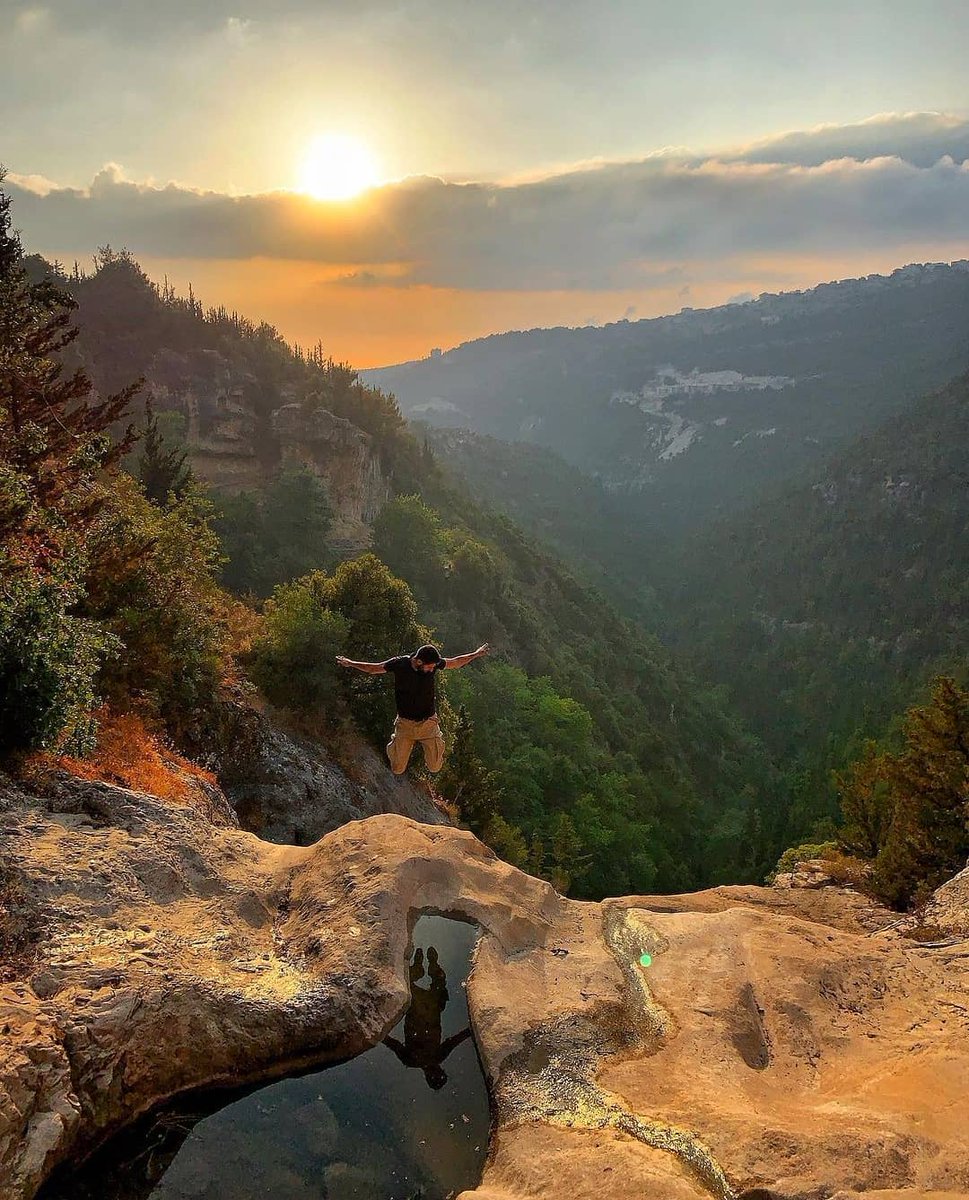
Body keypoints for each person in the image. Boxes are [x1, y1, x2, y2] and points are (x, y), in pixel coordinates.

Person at [335, 642, 489, 776]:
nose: (432, 670)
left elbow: (455, 662)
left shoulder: (433, 664)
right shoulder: (399, 664)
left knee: (435, 767)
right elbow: (373, 669)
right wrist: (351, 663)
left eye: (434, 667)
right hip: (405, 724)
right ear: (419, 661)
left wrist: (476, 654)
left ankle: (436, 739)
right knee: (397, 769)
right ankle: (395, 743)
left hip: (428, 723)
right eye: (429, 667)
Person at [383, 945, 471, 1090]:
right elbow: (453, 1041)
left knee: (412, 985)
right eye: (440, 1072)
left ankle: (421, 967)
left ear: (429, 1076)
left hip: (420, 1010)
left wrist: (375, 1034)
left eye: (436, 1073)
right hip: (429, 1009)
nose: (437, 1070)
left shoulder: (414, 1060)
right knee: (435, 986)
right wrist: (470, 1031)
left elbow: (394, 1045)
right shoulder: (433, 1057)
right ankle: (429, 965)